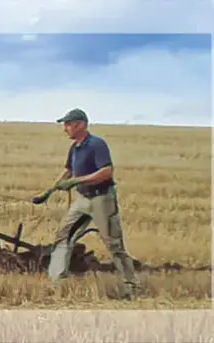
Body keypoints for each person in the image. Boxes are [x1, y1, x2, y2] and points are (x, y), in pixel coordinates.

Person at [34, 108, 142, 299]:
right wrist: (49, 191)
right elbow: (68, 170)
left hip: (102, 199)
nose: (65, 128)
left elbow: (106, 172)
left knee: (114, 244)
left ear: (81, 125)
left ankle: (132, 286)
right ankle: (56, 283)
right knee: (63, 236)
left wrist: (77, 181)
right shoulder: (75, 147)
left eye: (68, 124)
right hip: (83, 199)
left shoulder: (96, 145)